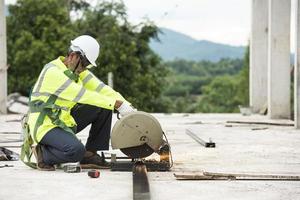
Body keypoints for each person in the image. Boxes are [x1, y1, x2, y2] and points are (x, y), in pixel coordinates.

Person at [26, 35, 135, 171]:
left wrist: (127, 106)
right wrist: (117, 104)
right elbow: (83, 95)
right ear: (73, 56)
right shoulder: (53, 72)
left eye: (87, 65)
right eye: (84, 64)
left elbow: (102, 89)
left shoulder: (78, 72)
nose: (85, 68)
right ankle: (43, 154)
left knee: (103, 107)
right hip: (45, 125)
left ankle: (89, 154)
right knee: (76, 151)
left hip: (63, 121)